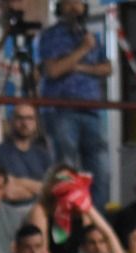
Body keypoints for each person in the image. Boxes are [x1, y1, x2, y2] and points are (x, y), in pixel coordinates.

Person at [38, 0, 111, 211]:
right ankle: (64, 218)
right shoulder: (51, 36)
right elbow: (53, 71)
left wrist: (77, 66)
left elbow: (107, 68)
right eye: (69, 3)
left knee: (100, 170)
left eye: (78, 3)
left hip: (92, 110)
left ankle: (97, 224)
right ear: (60, 8)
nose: (74, 8)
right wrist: (83, 50)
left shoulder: (92, 35)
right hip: (62, 110)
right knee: (66, 167)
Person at [0, 103, 51, 201]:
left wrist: (18, 181)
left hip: (40, 210)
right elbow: (7, 193)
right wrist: (38, 189)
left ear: (36, 123)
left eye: (29, 118)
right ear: (11, 122)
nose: (25, 123)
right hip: (11, 211)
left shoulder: (43, 154)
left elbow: (51, 188)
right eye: (20, 118)